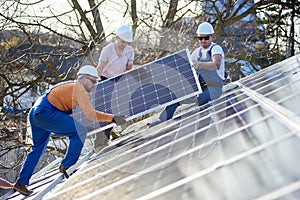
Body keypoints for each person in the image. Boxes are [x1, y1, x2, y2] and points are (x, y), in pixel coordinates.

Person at [13, 65, 126, 196]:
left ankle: (21, 182)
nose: (95, 84)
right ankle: (67, 166)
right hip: (46, 112)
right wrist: (112, 118)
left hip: (36, 113)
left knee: (37, 149)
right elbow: (90, 114)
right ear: (83, 78)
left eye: (97, 81)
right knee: (80, 131)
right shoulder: (79, 90)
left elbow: (76, 116)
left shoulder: (70, 87)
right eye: (93, 81)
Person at [159, 22, 226, 121]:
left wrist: (199, 64)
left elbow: (216, 64)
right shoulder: (196, 52)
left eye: (206, 38)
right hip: (200, 88)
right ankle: (163, 121)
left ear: (212, 37)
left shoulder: (215, 49)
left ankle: (203, 122)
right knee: (176, 98)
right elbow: (186, 68)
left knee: (202, 99)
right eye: (200, 38)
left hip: (214, 88)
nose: (203, 41)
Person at [95, 25, 134, 145]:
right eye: (122, 41)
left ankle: (107, 136)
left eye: (126, 42)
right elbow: (100, 67)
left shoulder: (129, 51)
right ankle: (100, 141)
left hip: (118, 80)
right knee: (105, 111)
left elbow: (129, 68)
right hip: (105, 80)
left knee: (116, 110)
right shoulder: (107, 50)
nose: (124, 44)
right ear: (116, 38)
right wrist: (95, 82)